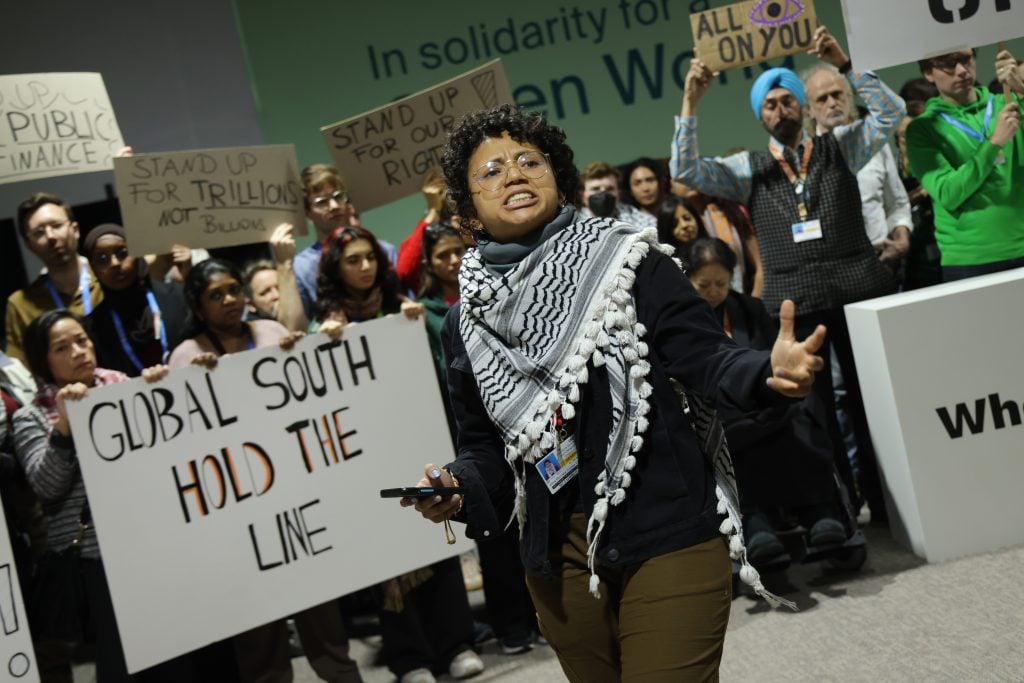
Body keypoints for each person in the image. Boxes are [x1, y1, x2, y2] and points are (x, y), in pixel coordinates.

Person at [403, 103, 828, 681]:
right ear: (469, 208)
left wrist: (764, 372)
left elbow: (706, 356)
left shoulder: (629, 262)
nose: (514, 174)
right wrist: (457, 485)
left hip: (666, 529)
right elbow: (487, 447)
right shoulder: (466, 323)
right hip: (558, 560)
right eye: (491, 171)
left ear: (558, 176)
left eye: (529, 160)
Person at [674, 25, 905, 523]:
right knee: (813, 412)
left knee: (876, 402)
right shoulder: (745, 168)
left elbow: (891, 113)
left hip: (859, 292)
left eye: (788, 100)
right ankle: (841, 510)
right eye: (770, 104)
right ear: (760, 115)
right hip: (793, 304)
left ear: (803, 106)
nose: (780, 109)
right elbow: (686, 169)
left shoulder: (840, 145)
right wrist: (691, 101)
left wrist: (844, 65)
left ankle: (894, 504)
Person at [165, 259, 362, 683]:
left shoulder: (271, 334)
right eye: (216, 296)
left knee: (323, 618)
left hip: (294, 499)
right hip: (239, 513)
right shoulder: (185, 356)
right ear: (198, 308)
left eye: (234, 289)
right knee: (259, 634)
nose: (230, 300)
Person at [12, 310, 194, 682]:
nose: (79, 351)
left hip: (151, 541)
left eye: (81, 340)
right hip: (96, 560)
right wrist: (64, 427)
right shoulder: (31, 416)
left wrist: (158, 390)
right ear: (42, 360)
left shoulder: (124, 387)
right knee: (123, 662)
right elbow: (46, 487)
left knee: (177, 653)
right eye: (62, 348)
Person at [418, 221, 539, 657]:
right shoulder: (441, 317)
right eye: (441, 254)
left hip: (541, 437)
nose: (453, 261)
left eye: (458, 249)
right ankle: (512, 622)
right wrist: (460, 474)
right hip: (478, 432)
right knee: (498, 529)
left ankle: (537, 613)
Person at [686, 239, 846, 564]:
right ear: (687, 280)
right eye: (704, 284)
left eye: (722, 283)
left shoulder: (750, 309)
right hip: (718, 411)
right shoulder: (682, 321)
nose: (714, 291)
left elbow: (771, 357)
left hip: (764, 400)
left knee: (803, 404)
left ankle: (818, 509)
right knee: (731, 436)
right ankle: (754, 521)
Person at [905, 47, 1024, 281]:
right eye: (948, 64)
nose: (961, 70)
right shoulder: (923, 129)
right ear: (928, 73)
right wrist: (994, 143)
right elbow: (949, 193)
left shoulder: (1008, 104)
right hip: (971, 260)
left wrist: (1021, 88)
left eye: (966, 59)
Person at [804, 64, 913, 271]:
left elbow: (897, 203)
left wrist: (901, 238)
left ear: (849, 98)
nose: (832, 103)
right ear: (808, 109)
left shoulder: (875, 147)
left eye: (837, 94)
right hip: (834, 269)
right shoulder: (803, 160)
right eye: (822, 98)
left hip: (885, 263)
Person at [5, 193, 104, 364]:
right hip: (63, 390)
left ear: (75, 230)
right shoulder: (20, 305)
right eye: (39, 232)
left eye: (57, 225)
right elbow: (20, 374)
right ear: (29, 245)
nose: (51, 236)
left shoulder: (110, 278)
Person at [82, 224, 189, 377]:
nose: (115, 263)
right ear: (93, 269)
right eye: (102, 259)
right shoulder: (93, 328)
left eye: (122, 253)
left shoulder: (177, 296)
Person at [294, 164, 399, 318]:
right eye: (322, 202)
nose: (334, 206)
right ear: (307, 212)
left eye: (339, 197)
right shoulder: (301, 266)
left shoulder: (384, 251)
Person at [309, 226, 422, 329]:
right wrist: (323, 339)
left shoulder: (399, 305)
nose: (366, 266)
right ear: (336, 269)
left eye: (371, 257)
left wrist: (417, 321)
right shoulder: (324, 321)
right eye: (353, 261)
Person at [240, 224, 308, 331]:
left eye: (280, 288)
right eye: (265, 292)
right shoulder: (251, 335)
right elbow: (291, 331)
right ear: (251, 305)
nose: (276, 295)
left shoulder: (306, 311)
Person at [577, 161, 657, 225]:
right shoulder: (573, 223)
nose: (603, 193)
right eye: (595, 189)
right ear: (583, 196)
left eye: (609, 189)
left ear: (619, 194)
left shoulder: (643, 221)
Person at [655, 196, 706, 268]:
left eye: (687, 218)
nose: (684, 225)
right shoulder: (668, 266)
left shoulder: (712, 250)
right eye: (674, 224)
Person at [619, 157, 664, 227]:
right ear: (630, 190)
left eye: (650, 180)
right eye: (637, 183)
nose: (645, 189)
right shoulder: (626, 223)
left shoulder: (676, 213)